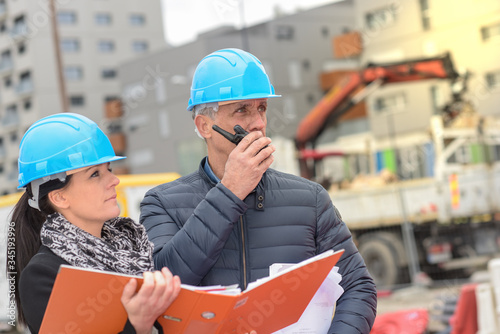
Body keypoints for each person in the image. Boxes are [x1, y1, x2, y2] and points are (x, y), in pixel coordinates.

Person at [140, 48, 377, 333]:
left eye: (261, 108)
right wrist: (229, 193)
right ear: (204, 126)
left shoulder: (309, 199)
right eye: (242, 110)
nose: (258, 123)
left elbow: (358, 287)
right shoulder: (161, 203)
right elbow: (165, 282)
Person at [11, 113, 181, 334]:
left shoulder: (134, 249)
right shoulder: (44, 275)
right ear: (59, 197)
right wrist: (138, 325)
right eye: (94, 174)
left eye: (108, 169)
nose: (114, 180)